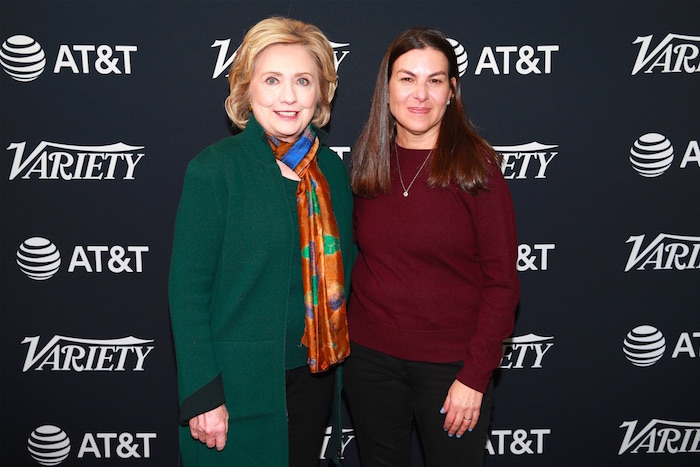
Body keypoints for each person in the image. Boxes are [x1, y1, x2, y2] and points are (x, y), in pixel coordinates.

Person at [168, 17, 353, 467]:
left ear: (321, 93)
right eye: (272, 80)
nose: (288, 97)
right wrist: (202, 393)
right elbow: (187, 291)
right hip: (234, 386)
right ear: (247, 89)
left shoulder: (330, 172)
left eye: (302, 81)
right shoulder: (215, 170)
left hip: (313, 378)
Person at [343, 27, 520, 467]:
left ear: (452, 91)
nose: (420, 94)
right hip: (370, 362)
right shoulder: (366, 162)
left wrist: (475, 376)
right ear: (386, 90)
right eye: (406, 78)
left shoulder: (476, 166)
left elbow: (502, 283)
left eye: (435, 80)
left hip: (452, 368)